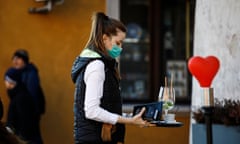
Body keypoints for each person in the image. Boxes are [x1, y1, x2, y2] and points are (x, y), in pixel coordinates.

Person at [71, 12, 152, 144]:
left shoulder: (104, 64)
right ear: (104, 39)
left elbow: (107, 107)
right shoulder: (97, 65)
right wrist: (129, 121)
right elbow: (91, 111)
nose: (121, 48)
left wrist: (131, 117)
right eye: (118, 43)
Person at [12, 49, 45, 144]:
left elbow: (32, 94)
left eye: (18, 58)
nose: (15, 61)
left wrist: (32, 113)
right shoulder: (20, 73)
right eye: (14, 58)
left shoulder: (30, 73)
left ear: (24, 60)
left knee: (32, 137)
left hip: (29, 112)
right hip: (24, 112)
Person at [4, 67, 40, 144]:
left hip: (25, 140)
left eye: (7, 80)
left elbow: (25, 122)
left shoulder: (20, 97)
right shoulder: (17, 95)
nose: (5, 82)